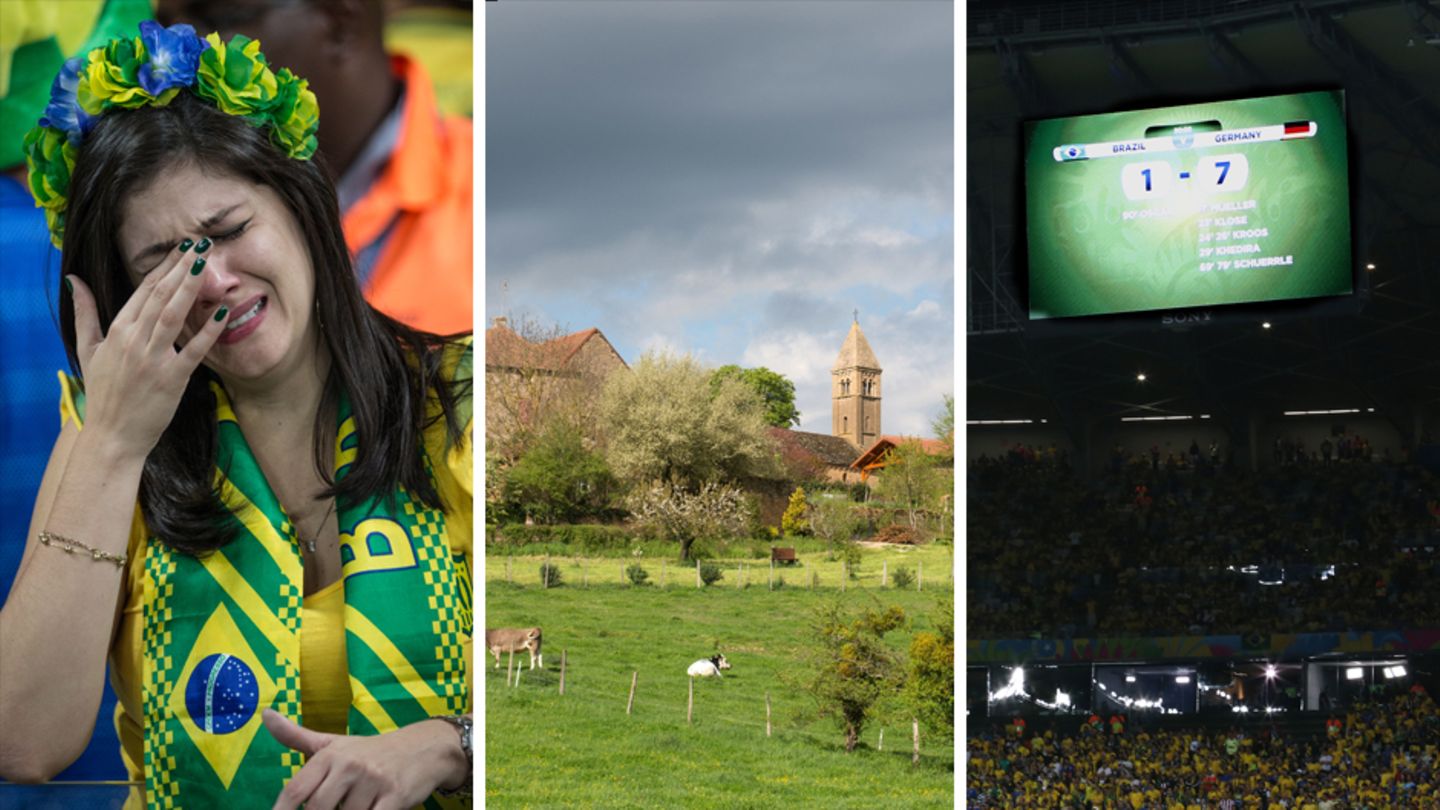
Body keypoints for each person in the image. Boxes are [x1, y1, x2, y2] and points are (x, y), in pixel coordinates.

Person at [0, 23, 473, 809]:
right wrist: (113, 443)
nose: (213, 279)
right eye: (165, 263)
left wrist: (450, 743)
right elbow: (23, 743)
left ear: (304, 207)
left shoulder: (458, 405)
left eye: (229, 233)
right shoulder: (104, 441)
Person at [154, 0, 472, 335]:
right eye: (163, 26)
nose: (178, 50)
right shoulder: (162, 200)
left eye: (217, 20)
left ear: (339, 23)